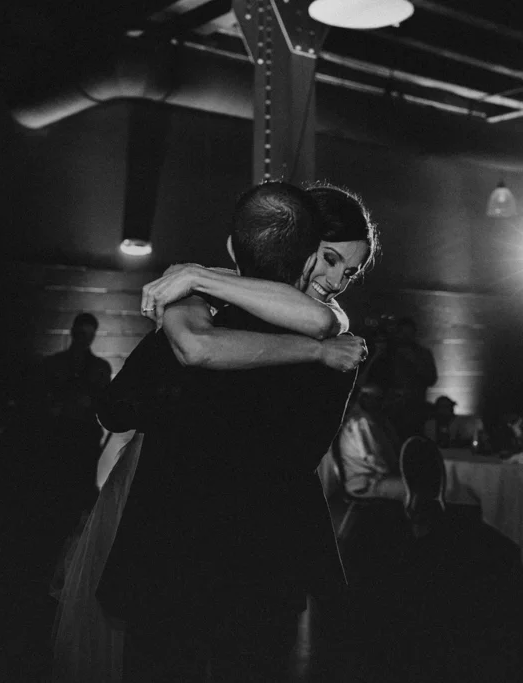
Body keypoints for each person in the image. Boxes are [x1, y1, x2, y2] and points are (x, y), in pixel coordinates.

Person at [53, 181, 378, 682]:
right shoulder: (339, 350)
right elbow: (300, 451)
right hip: (261, 563)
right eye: (331, 259)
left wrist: (189, 294)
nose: (336, 281)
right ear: (300, 243)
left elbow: (116, 410)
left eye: (350, 272)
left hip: (175, 554)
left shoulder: (202, 314)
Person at [40, 312, 113, 532]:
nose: (85, 340)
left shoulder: (99, 368)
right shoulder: (55, 364)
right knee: (60, 490)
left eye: (88, 335)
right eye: (82, 334)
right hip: (60, 437)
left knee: (79, 490)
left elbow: (103, 404)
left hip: (83, 438)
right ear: (73, 333)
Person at [369, 317, 438, 441]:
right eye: (403, 333)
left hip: (415, 408)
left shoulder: (423, 354)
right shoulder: (389, 354)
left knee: (413, 441)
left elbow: (431, 378)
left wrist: (415, 363)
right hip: (391, 408)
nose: (406, 337)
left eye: (409, 333)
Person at [336, 383, 405, 501]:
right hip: (365, 483)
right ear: (364, 398)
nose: (381, 403)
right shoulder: (361, 421)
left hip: (374, 479)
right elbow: (373, 458)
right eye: (377, 399)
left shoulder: (372, 419)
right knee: (412, 489)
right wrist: (396, 471)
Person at [422, 396, 486, 450]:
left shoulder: (461, 423)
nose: (445, 410)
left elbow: (466, 440)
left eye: (447, 407)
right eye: (442, 407)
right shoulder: (430, 424)